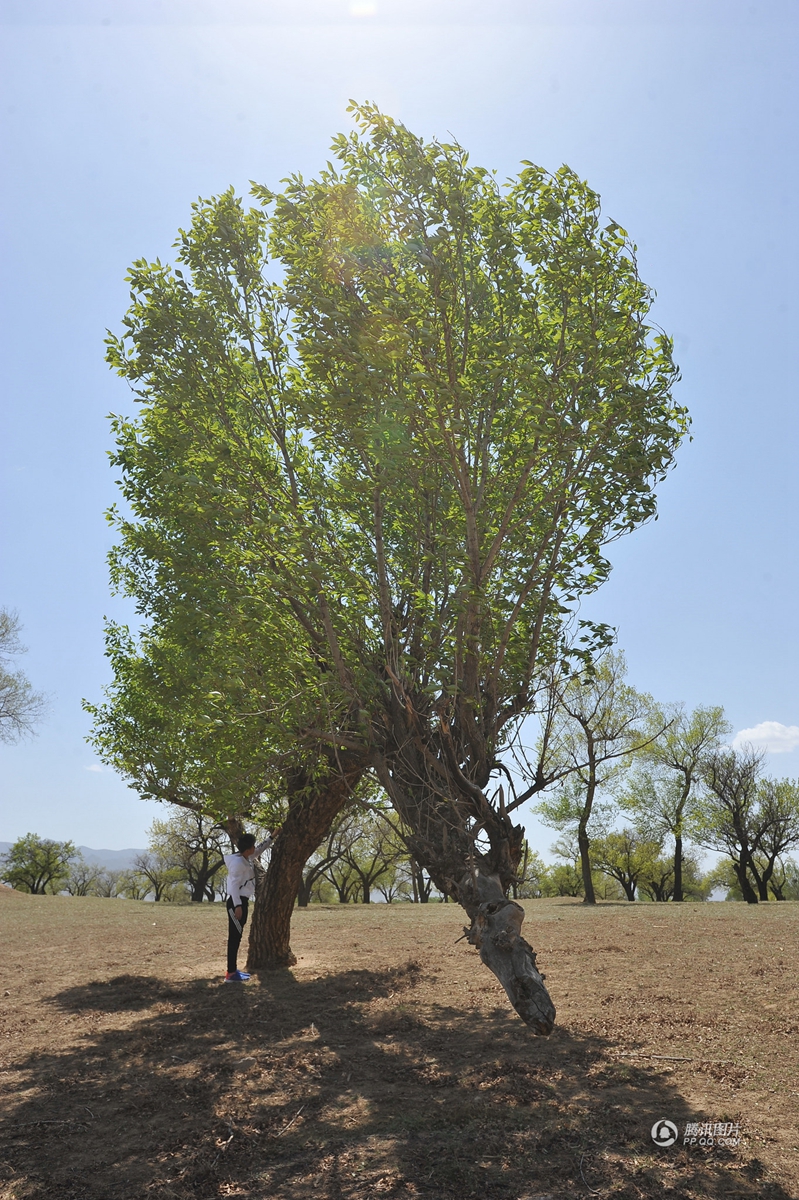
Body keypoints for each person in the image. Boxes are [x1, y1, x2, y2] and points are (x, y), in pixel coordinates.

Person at [223, 830, 277, 982]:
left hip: (242, 901)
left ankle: (233, 971)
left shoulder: (246, 857)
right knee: (234, 938)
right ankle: (231, 974)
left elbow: (260, 849)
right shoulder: (238, 864)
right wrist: (238, 906)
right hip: (236, 903)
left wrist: (272, 837)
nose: (255, 848)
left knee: (237, 937)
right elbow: (233, 886)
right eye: (252, 846)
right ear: (247, 849)